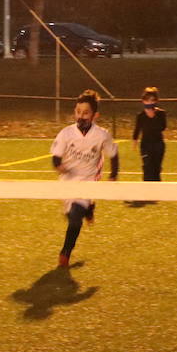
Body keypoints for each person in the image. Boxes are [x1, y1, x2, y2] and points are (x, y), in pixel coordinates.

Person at [50, 90, 118, 267]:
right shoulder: (66, 133)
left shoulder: (102, 135)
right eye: (78, 112)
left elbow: (113, 154)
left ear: (95, 115)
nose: (81, 116)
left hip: (88, 181)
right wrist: (59, 165)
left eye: (86, 113)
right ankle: (89, 208)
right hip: (67, 182)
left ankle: (65, 254)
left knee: (74, 218)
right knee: (71, 216)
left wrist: (113, 175)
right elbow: (55, 157)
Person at [132, 86, 167, 183]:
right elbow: (137, 129)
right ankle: (146, 192)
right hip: (145, 145)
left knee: (156, 169)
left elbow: (163, 127)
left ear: (156, 101)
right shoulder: (140, 116)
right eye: (147, 100)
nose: (150, 102)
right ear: (143, 101)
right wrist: (134, 141)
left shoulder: (161, 113)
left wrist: (153, 117)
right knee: (147, 167)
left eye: (152, 100)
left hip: (158, 145)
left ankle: (156, 192)